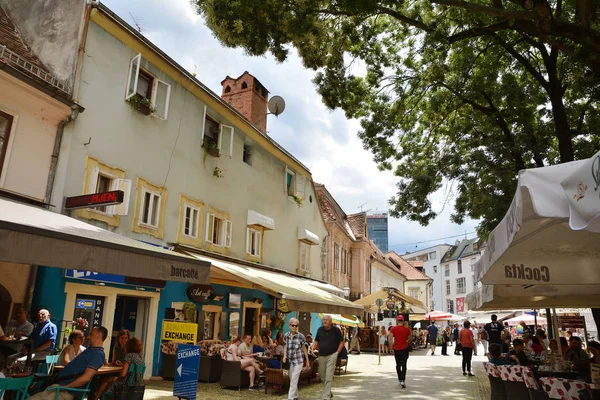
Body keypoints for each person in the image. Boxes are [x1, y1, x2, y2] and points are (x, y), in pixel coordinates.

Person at [30, 326, 108, 400]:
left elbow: (86, 378)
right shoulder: (90, 350)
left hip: (65, 390)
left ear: (98, 336)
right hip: (59, 385)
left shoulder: (97, 354)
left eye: (91, 335)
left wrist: (65, 387)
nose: (87, 337)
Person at [311, 315, 344, 400]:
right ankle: (329, 392)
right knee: (322, 375)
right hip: (321, 355)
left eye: (326, 320)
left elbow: (341, 342)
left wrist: (337, 353)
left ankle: (326, 397)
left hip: (332, 355)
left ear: (330, 321)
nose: (324, 321)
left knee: (329, 375)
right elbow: (316, 340)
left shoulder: (336, 330)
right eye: (323, 320)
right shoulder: (320, 330)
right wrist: (312, 349)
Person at [282, 318, 309, 400]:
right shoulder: (286, 335)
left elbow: (304, 349)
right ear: (290, 326)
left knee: (293, 380)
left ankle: (290, 398)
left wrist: (307, 361)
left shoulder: (301, 336)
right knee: (292, 380)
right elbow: (285, 345)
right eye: (293, 325)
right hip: (290, 361)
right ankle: (296, 396)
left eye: (296, 325)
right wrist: (284, 355)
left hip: (298, 361)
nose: (295, 327)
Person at [389, 315, 412, 388]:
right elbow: (410, 338)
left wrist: (391, 348)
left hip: (396, 349)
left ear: (397, 321)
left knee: (398, 365)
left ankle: (399, 378)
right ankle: (403, 380)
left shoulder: (393, 329)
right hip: (404, 349)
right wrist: (407, 344)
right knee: (404, 365)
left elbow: (390, 339)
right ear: (403, 321)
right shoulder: (407, 329)